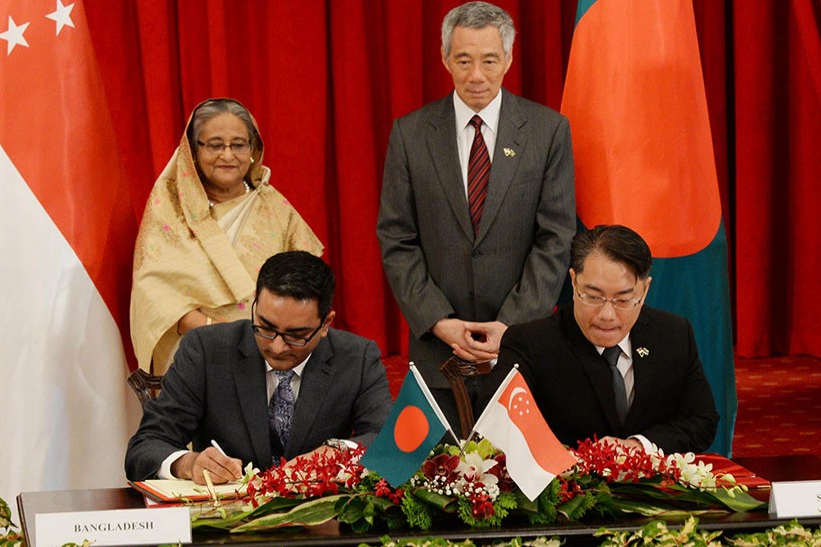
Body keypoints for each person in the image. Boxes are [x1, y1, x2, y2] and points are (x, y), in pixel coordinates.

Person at [377, 1, 576, 431]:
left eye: (489, 60)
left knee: (521, 482)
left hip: (522, 344)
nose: (476, 75)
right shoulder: (411, 134)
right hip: (438, 349)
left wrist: (512, 325)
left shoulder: (547, 131)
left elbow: (556, 237)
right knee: (440, 483)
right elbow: (397, 238)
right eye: (463, 60)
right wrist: (440, 321)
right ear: (445, 58)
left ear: (507, 58)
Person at [125, 251, 393, 484]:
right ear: (255, 304)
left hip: (320, 521)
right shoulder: (207, 350)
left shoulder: (356, 357)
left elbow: (388, 439)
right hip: (226, 527)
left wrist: (336, 453)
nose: (277, 347)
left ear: (326, 324)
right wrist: (188, 464)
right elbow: (146, 446)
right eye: (265, 328)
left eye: (296, 335)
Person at [483, 225, 719, 454]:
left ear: (644, 290)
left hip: (651, 489)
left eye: (623, 300)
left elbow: (701, 421)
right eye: (593, 297)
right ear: (574, 282)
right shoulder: (529, 343)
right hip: (569, 488)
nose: (607, 315)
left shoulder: (672, 334)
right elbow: (498, 429)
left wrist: (639, 447)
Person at [131, 98, 323, 375]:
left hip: (271, 350)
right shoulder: (170, 208)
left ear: (253, 149)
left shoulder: (275, 208)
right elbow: (154, 294)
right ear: (193, 151)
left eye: (238, 145)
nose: (228, 156)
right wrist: (219, 335)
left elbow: (309, 284)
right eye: (215, 145)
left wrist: (270, 339)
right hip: (194, 348)